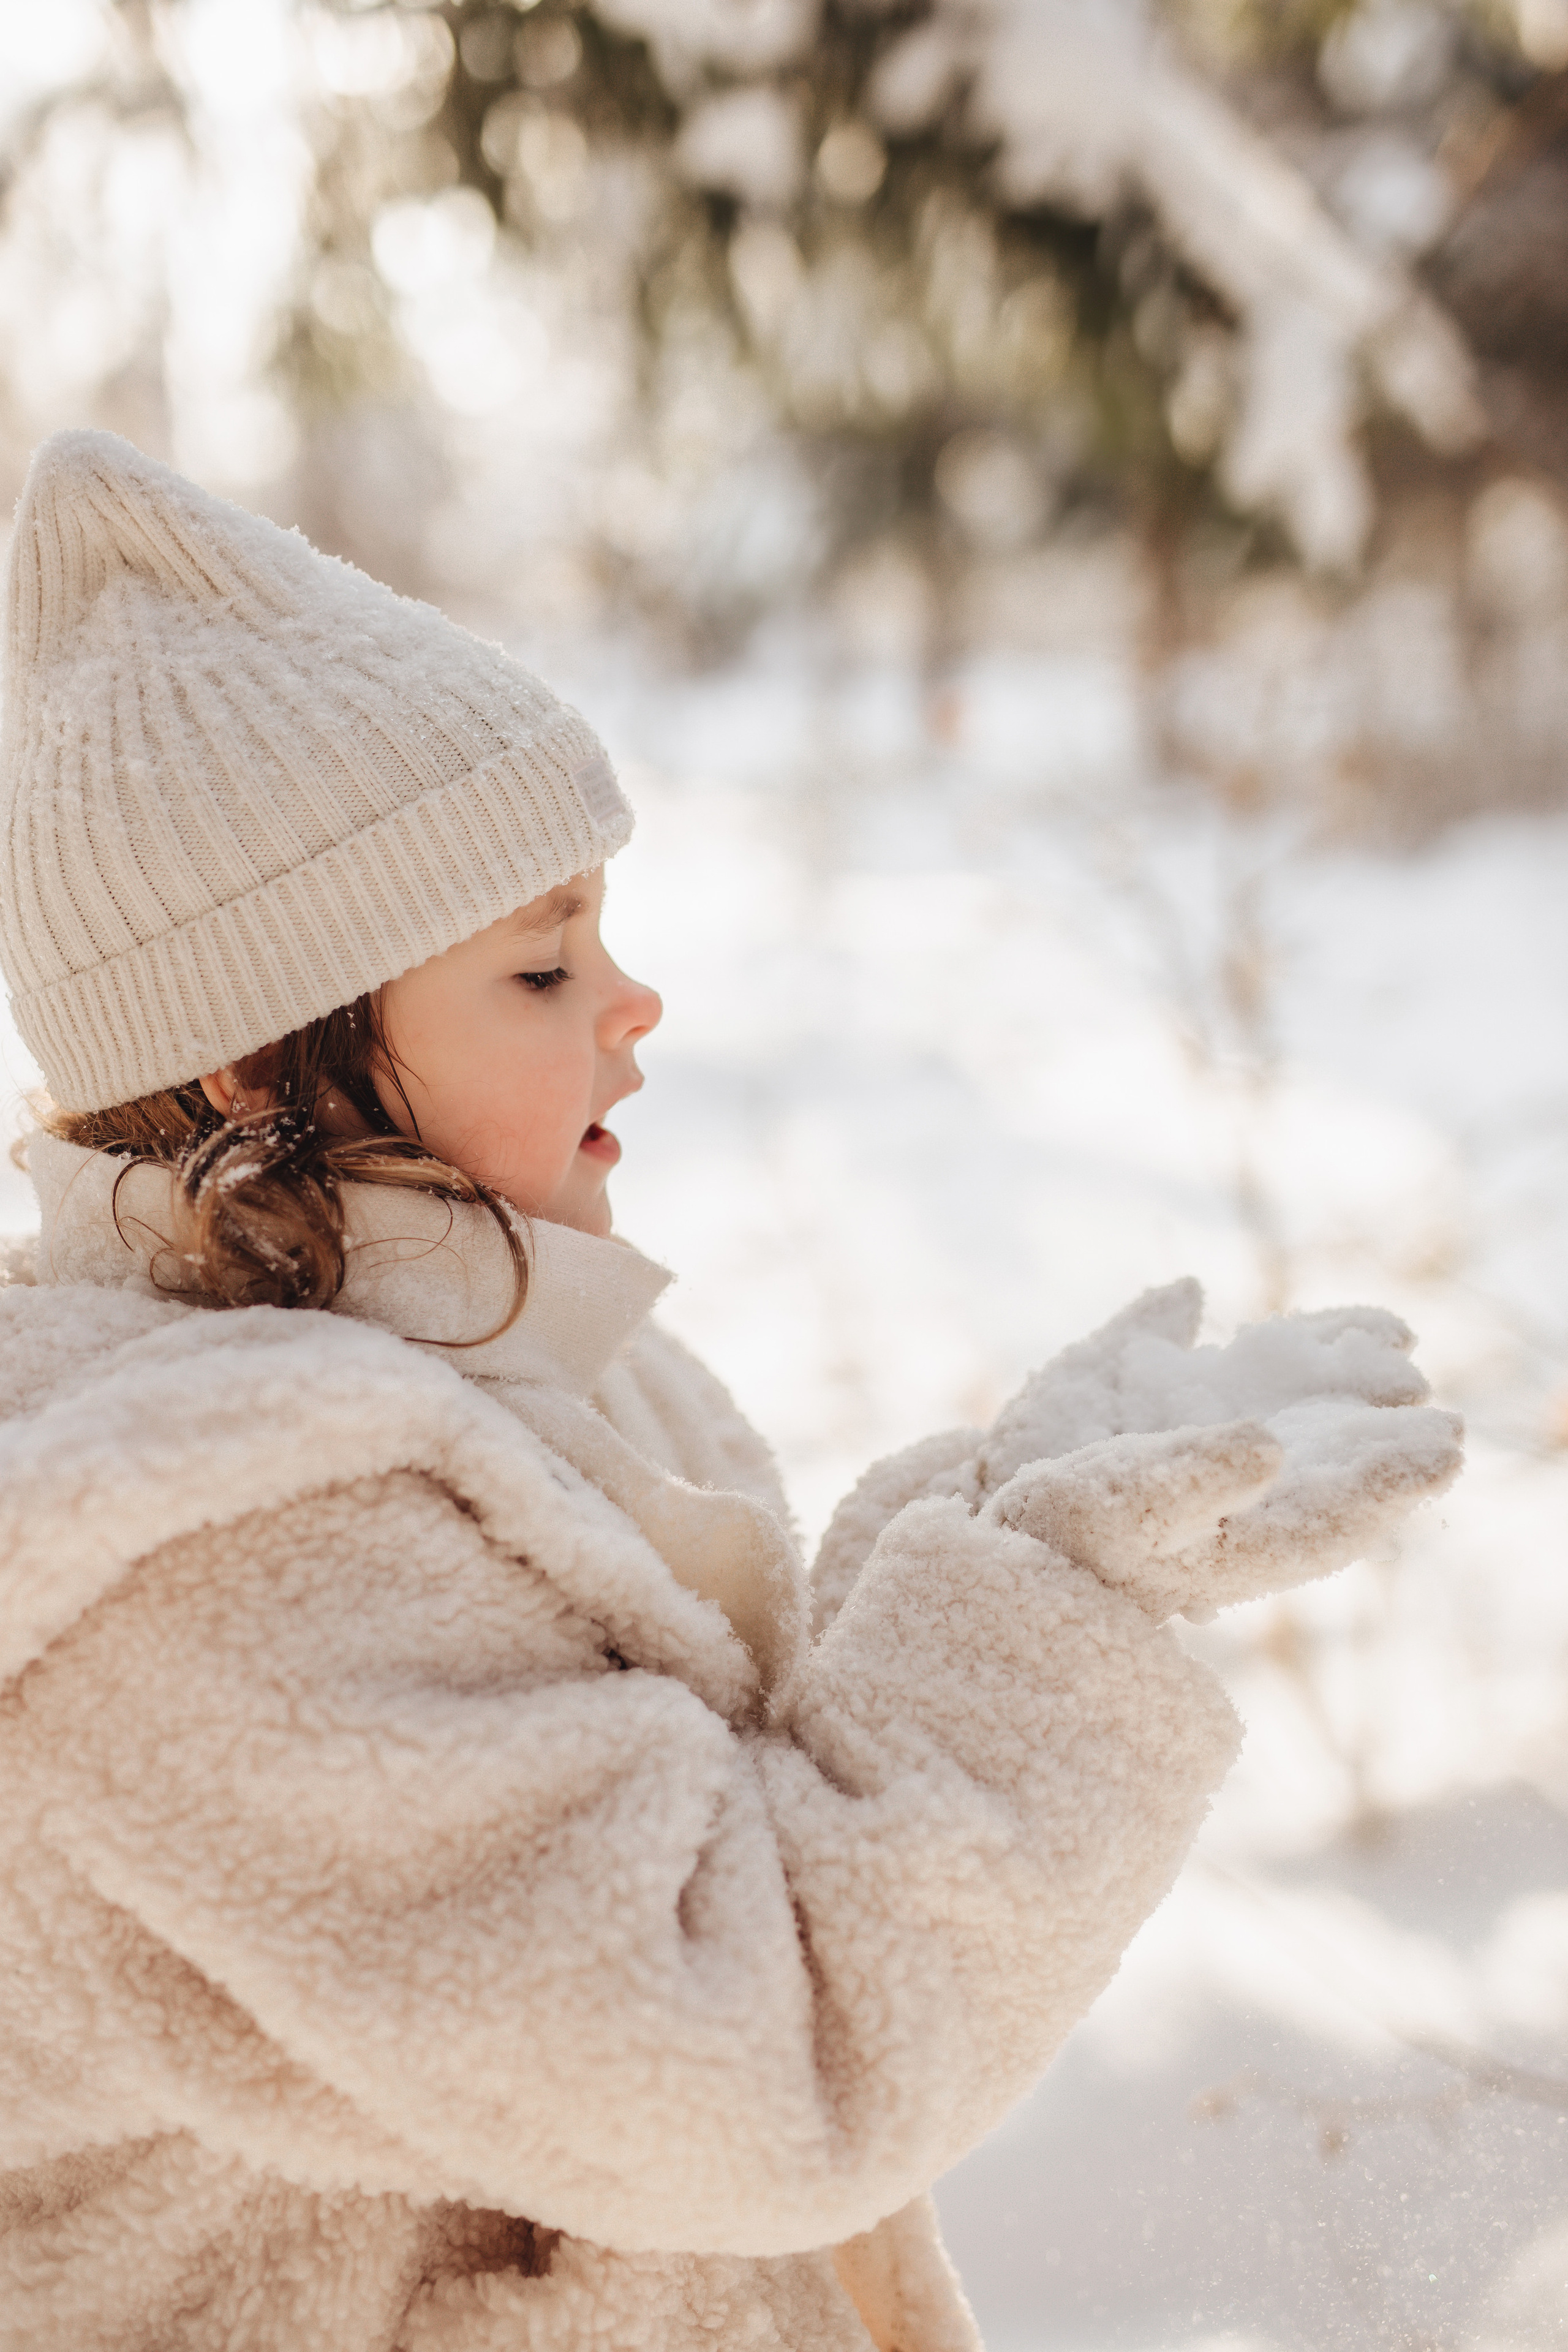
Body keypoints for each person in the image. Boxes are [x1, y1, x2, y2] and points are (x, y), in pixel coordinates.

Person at [0, 431, 1461, 2352]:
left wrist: (997, 1525)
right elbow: (757, 2053)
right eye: (541, 969)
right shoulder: (187, 1572)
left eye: (601, 931)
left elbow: (704, 1780)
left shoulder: (513, 1370)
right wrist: (1048, 1622)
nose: (633, 1001)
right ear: (251, 1073)